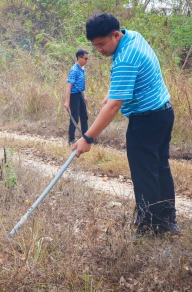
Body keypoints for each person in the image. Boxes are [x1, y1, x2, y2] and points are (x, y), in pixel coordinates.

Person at [71, 13, 179, 237]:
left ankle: (150, 227)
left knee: (144, 174)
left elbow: (113, 107)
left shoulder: (125, 58)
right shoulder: (133, 37)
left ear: (116, 35)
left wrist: (87, 138)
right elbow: (128, 82)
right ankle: (167, 220)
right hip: (164, 113)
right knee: (160, 168)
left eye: (102, 44)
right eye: (95, 46)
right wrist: (112, 92)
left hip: (146, 121)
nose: (99, 50)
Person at [64, 49, 89, 144]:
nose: (87, 61)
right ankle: (71, 140)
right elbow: (69, 86)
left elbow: (80, 85)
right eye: (85, 58)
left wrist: (84, 96)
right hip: (74, 96)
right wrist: (67, 101)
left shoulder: (82, 69)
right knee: (75, 118)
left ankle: (86, 138)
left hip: (80, 95)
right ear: (79, 58)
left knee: (84, 116)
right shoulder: (74, 70)